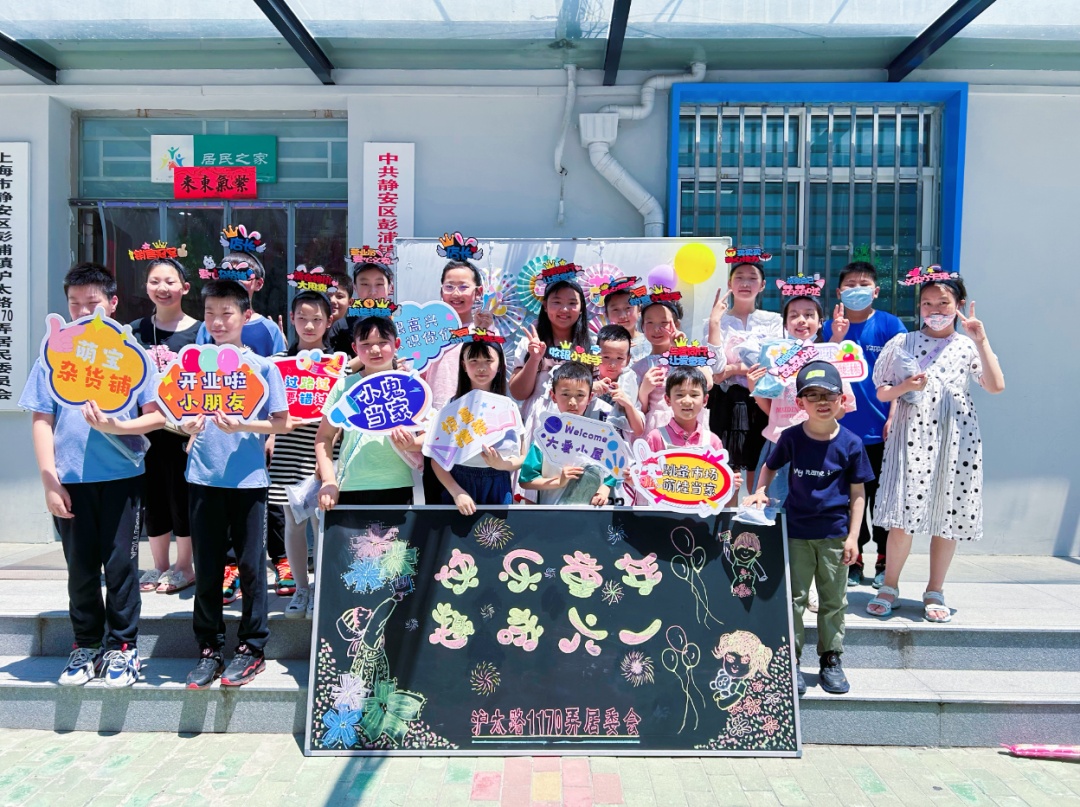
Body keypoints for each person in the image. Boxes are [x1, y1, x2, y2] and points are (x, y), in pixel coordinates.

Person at [21, 263, 165, 687]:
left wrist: (117, 426)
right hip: (70, 482)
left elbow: (157, 416)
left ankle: (123, 647)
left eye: (93, 303)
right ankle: (85, 644)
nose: (83, 311)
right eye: (75, 304)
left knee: (121, 566)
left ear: (112, 303)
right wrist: (49, 481)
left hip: (123, 477)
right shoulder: (54, 355)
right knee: (80, 569)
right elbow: (41, 419)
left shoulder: (132, 354)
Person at [866, 273, 1004, 623]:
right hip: (912, 433)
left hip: (956, 437)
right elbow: (882, 390)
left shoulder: (967, 345)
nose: (934, 310)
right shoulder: (904, 342)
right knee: (903, 513)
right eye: (927, 303)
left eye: (943, 303)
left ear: (959, 305)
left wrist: (982, 340)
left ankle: (935, 589)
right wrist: (905, 388)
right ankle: (889, 586)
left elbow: (995, 386)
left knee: (948, 513)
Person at [182, 279, 289, 688]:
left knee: (251, 567)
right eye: (210, 313)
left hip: (248, 481)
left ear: (246, 316)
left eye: (226, 313)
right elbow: (176, 416)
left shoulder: (263, 367)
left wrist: (244, 424)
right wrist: (184, 428)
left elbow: (281, 422)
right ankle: (208, 648)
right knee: (208, 567)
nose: (217, 321)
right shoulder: (192, 365)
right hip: (202, 477)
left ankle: (252, 648)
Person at [744, 361, 873, 696]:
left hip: (835, 536)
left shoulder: (851, 443)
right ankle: (792, 661)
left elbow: (858, 494)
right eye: (812, 395)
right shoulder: (791, 437)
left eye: (828, 394)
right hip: (796, 533)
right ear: (800, 403)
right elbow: (769, 467)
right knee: (794, 599)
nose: (821, 401)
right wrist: (760, 491)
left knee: (834, 601)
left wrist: (854, 537)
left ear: (842, 398)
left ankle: (831, 659)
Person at [197, 229, 289, 603]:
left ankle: (280, 559)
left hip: (255, 434)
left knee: (266, 503)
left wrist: (271, 435)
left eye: (243, 273)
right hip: (214, 438)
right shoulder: (207, 330)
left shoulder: (267, 330)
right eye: (228, 272)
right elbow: (195, 385)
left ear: (257, 283)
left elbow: (278, 388)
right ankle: (229, 567)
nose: (218, 320)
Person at [824, 261, 907, 589]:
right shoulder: (829, 327)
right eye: (850, 285)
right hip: (840, 433)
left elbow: (902, 374)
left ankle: (885, 560)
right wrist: (835, 336)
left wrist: (894, 415)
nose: (856, 290)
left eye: (864, 284)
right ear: (839, 291)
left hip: (882, 431)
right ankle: (853, 559)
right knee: (846, 501)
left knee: (882, 500)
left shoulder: (890, 325)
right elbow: (820, 368)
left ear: (875, 291)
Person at [129, 256, 200, 595]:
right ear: (146, 287)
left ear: (184, 287)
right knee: (153, 497)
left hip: (184, 431)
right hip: (144, 429)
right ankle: (159, 565)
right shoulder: (134, 331)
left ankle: (184, 566)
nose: (162, 288)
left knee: (181, 496)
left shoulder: (200, 331)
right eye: (155, 281)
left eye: (170, 281)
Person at [747, 294, 856, 507]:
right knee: (772, 509)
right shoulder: (775, 358)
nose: (801, 320)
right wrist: (754, 386)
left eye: (809, 315)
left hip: (820, 445)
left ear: (820, 322)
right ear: (785, 323)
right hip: (779, 443)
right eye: (794, 315)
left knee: (816, 508)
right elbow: (771, 411)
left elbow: (842, 410)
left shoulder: (830, 356)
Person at [268, 291, 336, 618]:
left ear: (329, 321)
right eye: (302, 318)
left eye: (317, 319)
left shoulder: (339, 363)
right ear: (292, 319)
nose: (309, 325)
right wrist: (272, 432)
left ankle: (321, 588)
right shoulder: (278, 362)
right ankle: (301, 588)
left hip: (326, 453)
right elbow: (267, 407)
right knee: (294, 524)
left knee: (322, 523)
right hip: (288, 452)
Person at [315, 316, 425, 510]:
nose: (374, 349)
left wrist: (411, 444)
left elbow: (428, 436)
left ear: (396, 344)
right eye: (365, 344)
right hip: (350, 485)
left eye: (383, 342)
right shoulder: (344, 386)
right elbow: (324, 436)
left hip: (398, 484)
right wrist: (329, 481)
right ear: (355, 348)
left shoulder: (412, 386)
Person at [706, 258, 783, 495]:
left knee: (758, 466)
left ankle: (755, 513)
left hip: (763, 400)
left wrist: (732, 369)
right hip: (726, 401)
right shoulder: (715, 320)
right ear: (730, 283)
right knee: (727, 470)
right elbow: (715, 368)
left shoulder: (773, 321)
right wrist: (714, 323)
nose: (745, 283)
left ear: (763, 285)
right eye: (739, 277)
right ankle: (725, 517)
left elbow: (771, 362)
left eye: (752, 278)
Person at [419, 259, 494, 504]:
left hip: (474, 430)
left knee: (477, 508)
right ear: (441, 291)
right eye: (449, 286)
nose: (456, 293)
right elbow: (419, 379)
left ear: (477, 292)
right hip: (436, 430)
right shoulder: (427, 333)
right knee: (437, 506)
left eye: (463, 287)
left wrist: (483, 334)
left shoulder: (486, 332)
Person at [427, 336, 525, 514]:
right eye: (473, 360)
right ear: (463, 365)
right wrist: (457, 492)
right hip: (459, 482)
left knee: (497, 532)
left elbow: (522, 457)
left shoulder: (509, 406)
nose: (481, 367)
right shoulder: (452, 406)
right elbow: (437, 459)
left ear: (500, 365)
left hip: (498, 484)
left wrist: (502, 464)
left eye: (488, 361)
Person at [519, 361, 616, 506]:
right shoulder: (544, 438)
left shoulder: (599, 437)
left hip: (590, 516)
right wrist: (559, 482)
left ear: (590, 398)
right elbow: (526, 480)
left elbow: (611, 474)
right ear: (553, 396)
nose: (572, 402)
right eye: (565, 394)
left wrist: (602, 491)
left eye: (580, 395)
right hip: (551, 513)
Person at [508, 279, 593, 438]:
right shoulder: (530, 343)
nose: (564, 309)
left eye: (572, 303)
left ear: (582, 308)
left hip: (577, 426)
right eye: (557, 302)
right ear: (545, 306)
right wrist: (534, 359)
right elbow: (518, 393)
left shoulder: (591, 347)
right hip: (536, 421)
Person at [633, 296, 713, 435]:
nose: (657, 329)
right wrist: (644, 391)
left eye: (664, 322)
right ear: (642, 327)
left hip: (689, 423)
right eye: (650, 322)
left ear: (676, 324)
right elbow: (639, 410)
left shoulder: (689, 353)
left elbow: (708, 382)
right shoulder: (639, 367)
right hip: (658, 430)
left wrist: (681, 349)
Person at [593, 324, 645, 441]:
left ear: (628, 359)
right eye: (606, 357)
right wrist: (587, 389)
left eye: (619, 358)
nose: (612, 364)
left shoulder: (632, 383)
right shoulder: (586, 378)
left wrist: (627, 404)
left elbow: (639, 430)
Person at [600, 281, 650, 362]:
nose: (622, 316)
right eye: (615, 309)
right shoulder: (600, 345)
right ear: (606, 314)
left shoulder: (651, 341)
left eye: (628, 308)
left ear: (639, 310)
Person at [324, 272, 356, 358]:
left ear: (350, 302)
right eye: (328, 295)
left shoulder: (356, 331)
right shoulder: (314, 330)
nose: (332, 300)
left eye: (339, 296)